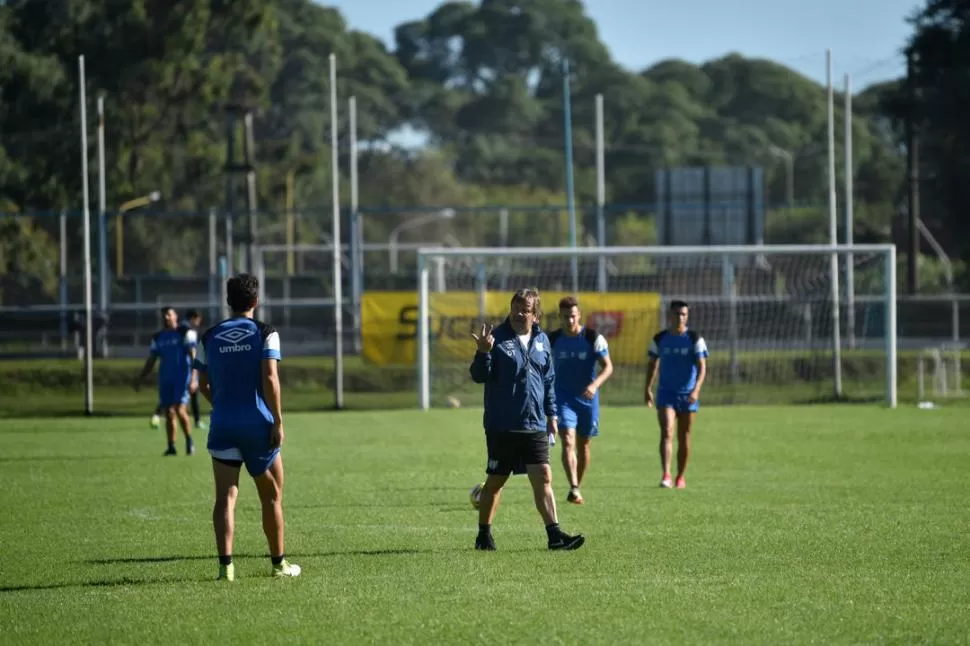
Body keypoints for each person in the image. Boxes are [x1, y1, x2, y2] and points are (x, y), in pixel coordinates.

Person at [194, 273, 300, 581]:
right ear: (256, 301)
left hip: (223, 424)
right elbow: (270, 379)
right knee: (272, 495)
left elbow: (202, 383)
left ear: (229, 301)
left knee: (225, 497)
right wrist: (278, 421)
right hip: (258, 424)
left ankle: (225, 567)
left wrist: (223, 405)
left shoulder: (209, 335)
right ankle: (279, 565)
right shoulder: (266, 332)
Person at [469, 287, 585, 552]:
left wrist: (552, 413)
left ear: (536, 315)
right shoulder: (496, 337)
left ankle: (555, 536)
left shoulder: (543, 340)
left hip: (534, 424)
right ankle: (483, 535)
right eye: (516, 308)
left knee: (543, 476)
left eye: (525, 310)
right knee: (496, 480)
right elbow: (478, 376)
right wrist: (483, 353)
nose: (519, 313)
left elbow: (549, 380)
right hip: (502, 425)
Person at [548, 296, 613, 505]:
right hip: (562, 398)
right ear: (560, 316)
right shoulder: (553, 339)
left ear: (579, 315)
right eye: (565, 317)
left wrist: (594, 386)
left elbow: (608, 367)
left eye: (573, 316)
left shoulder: (593, 338)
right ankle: (574, 487)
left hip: (587, 400)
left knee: (584, 446)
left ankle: (576, 485)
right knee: (567, 439)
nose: (569, 321)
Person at [644, 300, 708, 489]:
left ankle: (680, 476)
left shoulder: (695, 339)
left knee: (684, 435)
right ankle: (666, 475)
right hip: (666, 394)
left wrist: (696, 390)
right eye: (676, 314)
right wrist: (647, 388)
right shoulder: (659, 339)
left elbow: (702, 367)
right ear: (669, 316)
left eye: (683, 314)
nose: (680, 317)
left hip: (688, 395)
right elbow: (652, 365)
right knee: (667, 431)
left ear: (687, 317)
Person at [136, 306, 197, 456]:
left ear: (176, 316)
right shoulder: (158, 337)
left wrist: (194, 379)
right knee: (169, 412)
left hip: (182, 378)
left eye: (169, 315)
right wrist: (141, 378)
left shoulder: (185, 333)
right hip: (166, 379)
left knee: (180, 409)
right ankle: (171, 446)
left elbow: (194, 357)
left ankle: (189, 441)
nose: (166, 318)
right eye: (164, 316)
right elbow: (151, 360)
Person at [151, 310, 208, 430]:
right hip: (183, 372)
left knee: (186, 397)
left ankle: (195, 420)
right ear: (193, 318)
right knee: (177, 401)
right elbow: (191, 353)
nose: (198, 323)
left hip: (184, 371)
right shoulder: (185, 330)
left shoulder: (185, 329)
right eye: (198, 320)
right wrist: (195, 375)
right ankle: (157, 415)